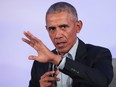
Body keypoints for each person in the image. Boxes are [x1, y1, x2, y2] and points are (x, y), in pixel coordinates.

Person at [22, 2, 113, 87]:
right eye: (52, 29)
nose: (57, 35)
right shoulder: (40, 64)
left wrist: (57, 60)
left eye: (64, 27)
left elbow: (102, 82)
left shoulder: (99, 54)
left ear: (78, 26)